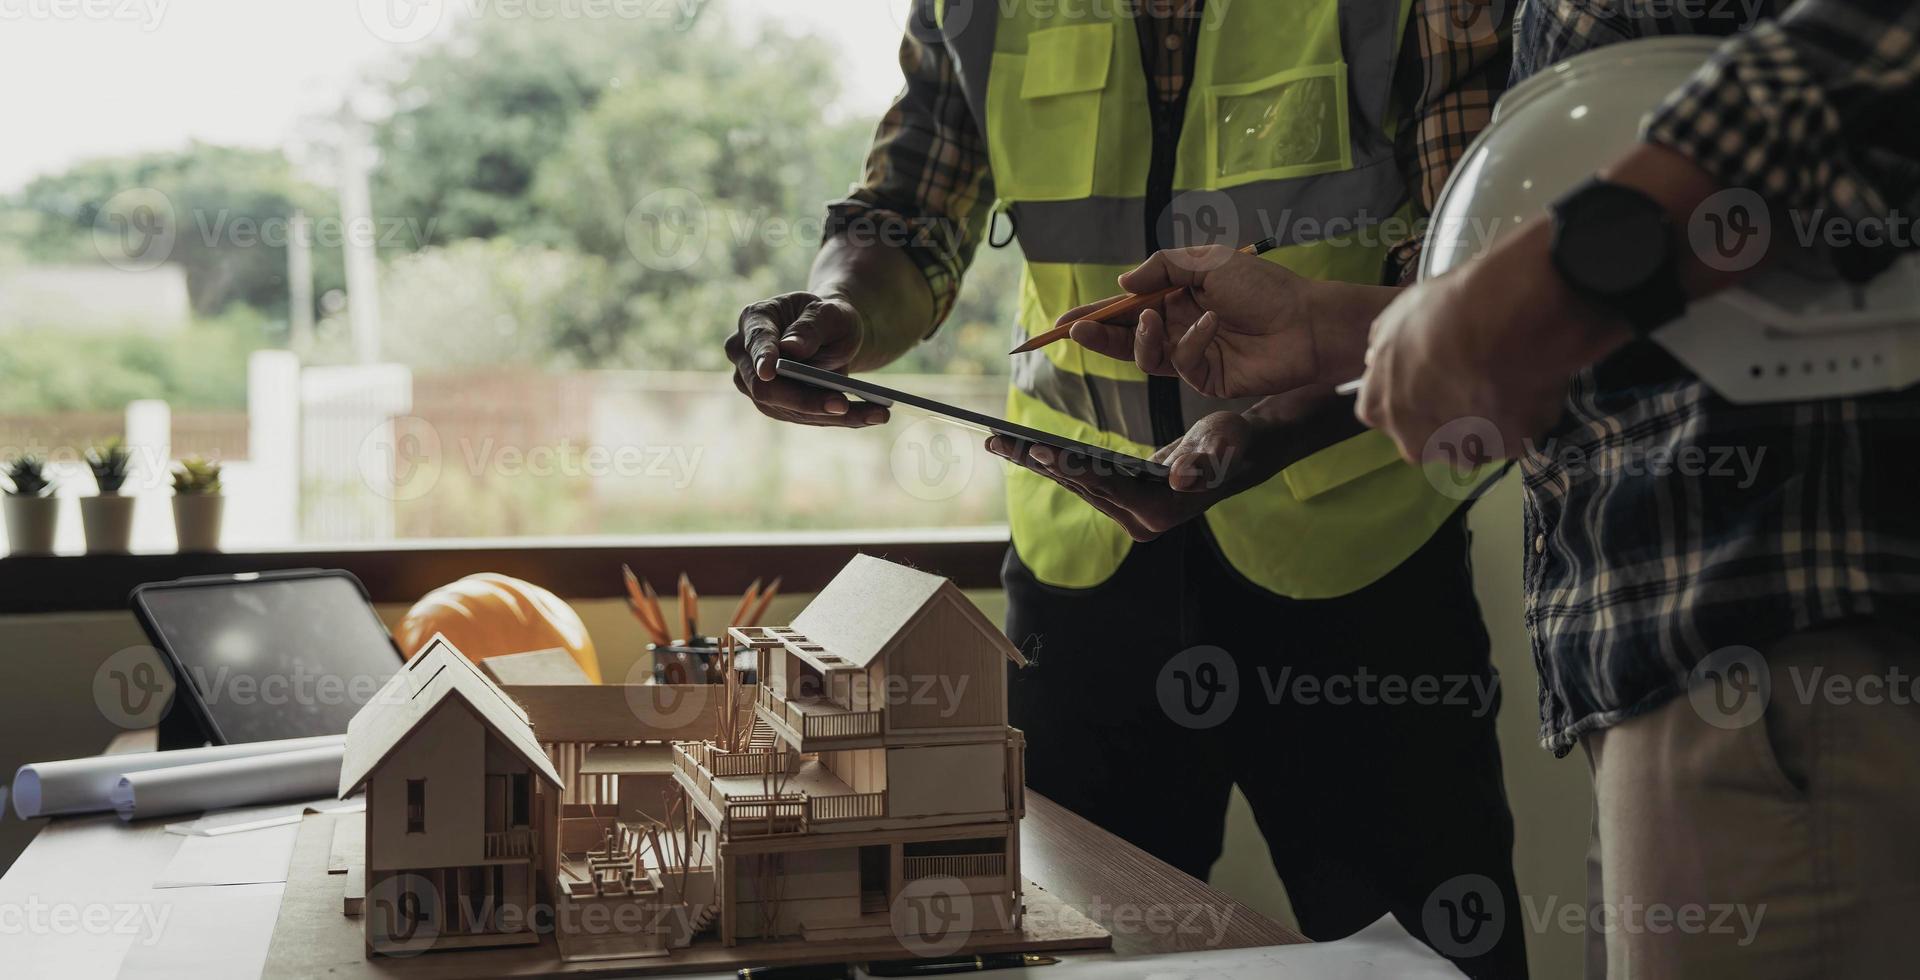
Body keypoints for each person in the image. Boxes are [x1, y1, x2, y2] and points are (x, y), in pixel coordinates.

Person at [1076, 1, 1920, 975]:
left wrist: (1544, 281)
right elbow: (1613, 295)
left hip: (1787, 636)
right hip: (1671, 663)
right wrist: (1333, 324)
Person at [726, 2, 1530, 976]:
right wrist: (843, 306)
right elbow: (909, 208)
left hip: (1358, 558)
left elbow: (1475, 277)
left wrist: (1272, 427)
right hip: (1084, 567)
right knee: (1068, 954)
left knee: (1432, 958)